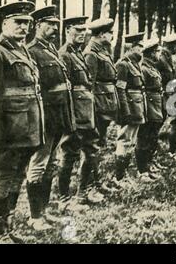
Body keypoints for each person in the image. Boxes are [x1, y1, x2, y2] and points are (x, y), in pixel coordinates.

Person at [0, 1, 42, 239]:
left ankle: (7, 228)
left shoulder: (21, 50)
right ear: (5, 24)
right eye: (18, 22)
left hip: (25, 129)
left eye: (27, 23)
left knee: (16, 178)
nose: (24, 27)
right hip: (8, 132)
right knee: (1, 180)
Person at [26, 6, 75, 230]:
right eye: (49, 24)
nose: (54, 28)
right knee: (39, 165)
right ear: (37, 26)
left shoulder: (52, 50)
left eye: (56, 24)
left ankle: (44, 212)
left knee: (51, 164)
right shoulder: (32, 51)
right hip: (44, 117)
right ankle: (35, 216)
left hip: (57, 116)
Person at [58, 16, 103, 206]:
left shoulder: (78, 53)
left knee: (91, 149)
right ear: (68, 30)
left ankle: (82, 192)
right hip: (74, 113)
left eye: (84, 30)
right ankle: (64, 197)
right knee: (69, 153)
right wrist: (71, 118)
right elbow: (66, 90)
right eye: (77, 29)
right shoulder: (65, 55)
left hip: (86, 111)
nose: (82, 33)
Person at [114, 32, 148, 181]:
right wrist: (125, 111)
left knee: (131, 142)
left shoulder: (134, 65)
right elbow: (120, 89)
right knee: (124, 141)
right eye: (138, 48)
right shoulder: (122, 65)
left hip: (137, 108)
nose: (141, 50)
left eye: (141, 47)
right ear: (129, 48)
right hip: (129, 108)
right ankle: (119, 177)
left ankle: (125, 173)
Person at [136, 38, 168, 181]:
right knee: (144, 137)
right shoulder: (143, 68)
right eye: (157, 51)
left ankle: (149, 164)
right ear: (150, 53)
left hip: (155, 103)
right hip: (148, 105)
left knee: (153, 136)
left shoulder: (152, 67)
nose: (159, 54)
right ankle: (142, 170)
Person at [85, 18, 119, 148]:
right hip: (99, 99)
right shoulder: (91, 53)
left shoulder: (102, 50)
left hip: (106, 97)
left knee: (102, 131)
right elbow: (90, 82)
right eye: (110, 32)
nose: (112, 36)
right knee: (97, 132)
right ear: (101, 34)